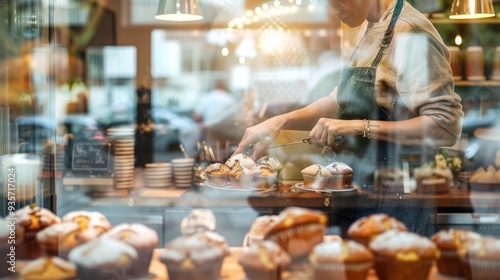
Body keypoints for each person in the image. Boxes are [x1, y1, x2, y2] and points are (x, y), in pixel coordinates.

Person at [233, 0, 463, 237]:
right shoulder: (367, 27)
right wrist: (280, 122)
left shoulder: (410, 33)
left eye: (337, 1)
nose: (333, 12)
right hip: (357, 192)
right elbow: (339, 102)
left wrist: (357, 127)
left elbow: (444, 126)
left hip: (396, 200)